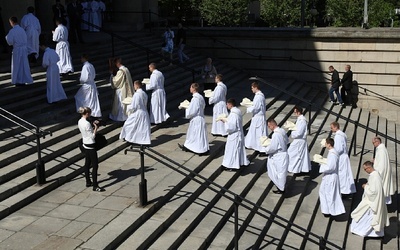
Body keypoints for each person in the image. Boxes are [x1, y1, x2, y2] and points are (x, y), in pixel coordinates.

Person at [350, 161, 389, 237]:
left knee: (366, 217)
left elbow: (374, 192)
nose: (365, 171)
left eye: (365, 169)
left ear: (369, 167)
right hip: (371, 201)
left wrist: (365, 187)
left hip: (372, 203)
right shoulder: (374, 175)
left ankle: (362, 231)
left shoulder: (375, 177)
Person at [78, 107, 105, 192]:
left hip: (84, 143)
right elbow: (92, 136)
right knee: (95, 165)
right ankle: (95, 185)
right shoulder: (87, 124)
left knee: (87, 164)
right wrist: (96, 128)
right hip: (90, 145)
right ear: (87, 114)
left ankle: (88, 181)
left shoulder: (80, 121)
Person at [178, 83, 209, 155]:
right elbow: (203, 106)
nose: (190, 89)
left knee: (196, 134)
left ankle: (199, 149)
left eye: (191, 87)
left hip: (196, 119)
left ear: (194, 89)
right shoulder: (200, 97)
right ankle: (190, 147)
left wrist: (186, 108)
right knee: (198, 134)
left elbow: (193, 110)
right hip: (200, 117)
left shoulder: (195, 99)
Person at [318, 138, 345, 216]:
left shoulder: (333, 154)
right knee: (324, 192)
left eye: (326, 143)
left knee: (330, 194)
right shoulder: (332, 152)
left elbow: (331, 167)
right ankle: (326, 210)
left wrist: (321, 165)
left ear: (329, 144)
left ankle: (332, 211)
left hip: (330, 177)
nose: (325, 145)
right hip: (329, 176)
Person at [221, 98, 249, 170]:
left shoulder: (233, 114)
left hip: (234, 135)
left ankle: (232, 165)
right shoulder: (237, 111)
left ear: (230, 105)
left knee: (232, 150)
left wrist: (225, 122)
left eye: (227, 104)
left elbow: (231, 127)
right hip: (238, 134)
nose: (227, 106)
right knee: (236, 149)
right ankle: (238, 163)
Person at [120, 80, 151, 145]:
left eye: (134, 85)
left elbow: (134, 106)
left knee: (128, 124)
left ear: (136, 85)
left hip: (138, 113)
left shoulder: (137, 95)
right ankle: (140, 140)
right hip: (144, 112)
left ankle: (129, 138)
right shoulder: (144, 93)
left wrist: (128, 107)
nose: (134, 87)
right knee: (142, 128)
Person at [5, 16, 33, 85]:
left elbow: (10, 42)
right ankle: (23, 79)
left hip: (17, 49)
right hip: (23, 49)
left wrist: (6, 37)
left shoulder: (12, 31)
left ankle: (18, 80)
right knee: (23, 65)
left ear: (11, 22)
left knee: (17, 65)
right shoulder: (22, 30)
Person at [264, 118, 289, 194]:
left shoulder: (275, 134)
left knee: (280, 172)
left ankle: (281, 188)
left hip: (279, 156)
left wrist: (266, 149)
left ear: (272, 125)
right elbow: (287, 140)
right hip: (284, 153)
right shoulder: (282, 130)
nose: (269, 128)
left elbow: (273, 147)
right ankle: (281, 187)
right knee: (281, 172)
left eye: (269, 126)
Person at [330, 122, 356, 194]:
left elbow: (339, 148)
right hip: (344, 156)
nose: (331, 129)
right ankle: (344, 189)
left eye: (332, 128)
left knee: (342, 174)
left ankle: (343, 190)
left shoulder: (338, 136)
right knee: (344, 173)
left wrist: (331, 149)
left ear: (335, 127)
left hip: (341, 157)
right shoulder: (342, 135)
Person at [287, 106, 311, 174]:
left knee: (294, 154)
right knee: (298, 155)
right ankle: (298, 169)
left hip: (300, 140)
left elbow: (299, 132)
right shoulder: (300, 119)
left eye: (295, 112)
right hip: (298, 140)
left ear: (299, 112)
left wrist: (292, 133)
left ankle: (295, 169)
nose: (295, 113)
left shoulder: (302, 120)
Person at [109, 57, 134, 122]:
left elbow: (116, 82)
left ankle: (121, 117)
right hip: (125, 88)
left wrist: (112, 75)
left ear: (117, 63)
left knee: (120, 104)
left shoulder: (121, 71)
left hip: (122, 90)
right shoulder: (126, 69)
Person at [245, 82, 267, 154]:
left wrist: (248, 108)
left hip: (259, 117)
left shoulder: (258, 96)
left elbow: (256, 107)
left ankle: (262, 149)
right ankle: (253, 145)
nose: (251, 89)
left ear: (255, 87)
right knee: (254, 132)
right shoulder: (259, 95)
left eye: (252, 88)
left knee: (260, 133)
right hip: (257, 117)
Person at [372, 137, 394, 204]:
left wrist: (377, 174)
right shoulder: (381, 149)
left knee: (381, 190)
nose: (373, 145)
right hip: (381, 172)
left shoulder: (381, 150)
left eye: (373, 143)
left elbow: (382, 165)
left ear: (377, 142)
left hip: (381, 173)